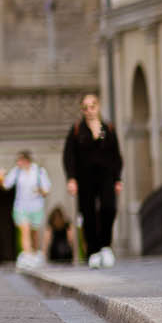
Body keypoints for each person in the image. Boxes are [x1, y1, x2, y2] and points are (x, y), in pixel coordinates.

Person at [63, 93, 124, 268]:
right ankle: (93, 250)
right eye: (86, 107)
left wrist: (118, 179)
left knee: (109, 208)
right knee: (88, 213)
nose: (89, 110)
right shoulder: (76, 130)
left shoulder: (108, 128)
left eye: (93, 106)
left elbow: (116, 156)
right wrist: (71, 179)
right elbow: (69, 156)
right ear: (82, 110)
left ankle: (105, 245)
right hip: (85, 178)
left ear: (98, 106)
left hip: (106, 177)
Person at [2, 149, 52, 269]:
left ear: (26, 160)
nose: (18, 163)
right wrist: (1, 178)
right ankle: (27, 255)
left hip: (36, 206)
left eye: (20, 160)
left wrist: (39, 190)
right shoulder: (17, 171)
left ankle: (34, 254)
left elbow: (46, 190)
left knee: (34, 233)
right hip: (21, 206)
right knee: (24, 230)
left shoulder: (39, 171)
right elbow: (6, 185)